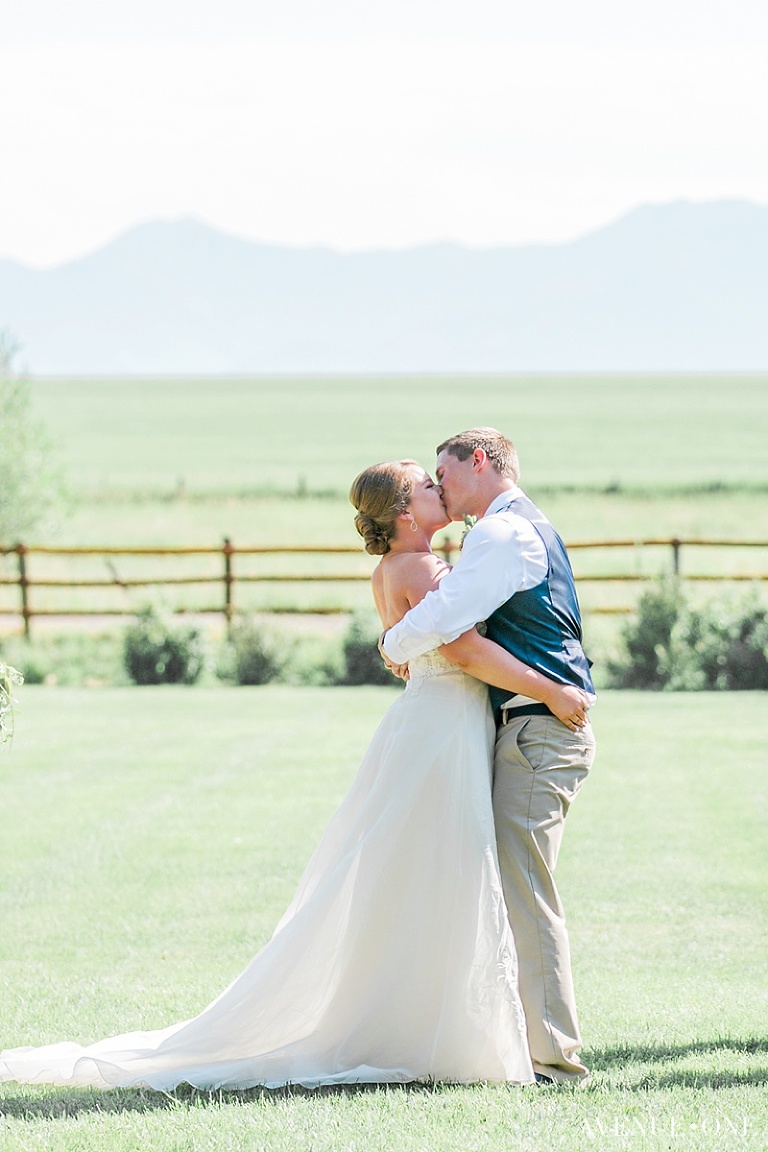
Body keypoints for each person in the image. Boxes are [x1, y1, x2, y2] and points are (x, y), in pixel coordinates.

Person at [0, 459, 587, 1093]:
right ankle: (433, 1026)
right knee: (439, 868)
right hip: (446, 726)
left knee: (422, 871)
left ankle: (431, 1018)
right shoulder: (422, 569)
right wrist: (546, 687)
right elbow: (461, 644)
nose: (437, 491)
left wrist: (403, 645)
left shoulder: (393, 569)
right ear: (405, 514)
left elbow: (421, 639)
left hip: (434, 720)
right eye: (426, 486)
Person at [380, 431, 596, 1086]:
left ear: (479, 462)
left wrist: (395, 639)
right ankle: (519, 1047)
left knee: (527, 896)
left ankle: (555, 1063)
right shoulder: (514, 528)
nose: (439, 489)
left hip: (539, 728)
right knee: (513, 889)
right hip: (526, 726)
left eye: (443, 474)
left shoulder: (501, 536)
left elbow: (451, 619)